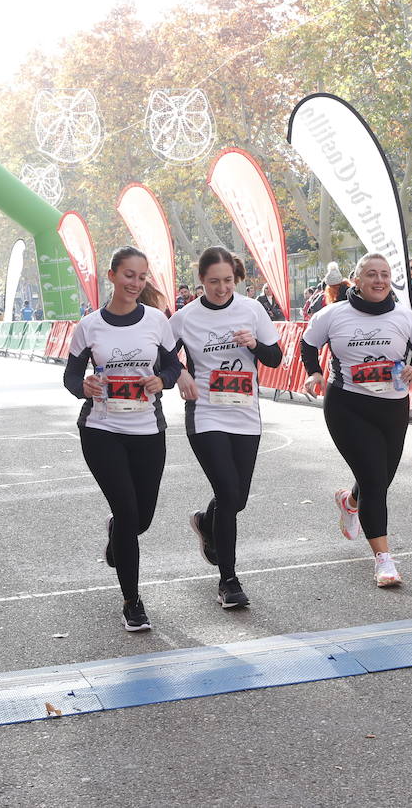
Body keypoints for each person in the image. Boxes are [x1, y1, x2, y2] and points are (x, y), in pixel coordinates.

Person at [300, 253, 412, 588]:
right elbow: (308, 344)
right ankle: (384, 560)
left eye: (384, 275)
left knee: (380, 479)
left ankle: (349, 501)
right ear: (357, 280)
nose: (379, 281)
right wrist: (314, 373)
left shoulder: (403, 316)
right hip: (347, 406)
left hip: (392, 407)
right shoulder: (333, 314)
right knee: (375, 483)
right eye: (371, 275)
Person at [63, 247, 182, 632]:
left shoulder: (156, 320)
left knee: (140, 518)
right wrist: (84, 387)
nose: (135, 283)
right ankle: (132, 602)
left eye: (141, 276)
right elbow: (70, 377)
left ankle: (117, 533)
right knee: (129, 515)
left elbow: (172, 364)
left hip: (148, 429)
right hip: (102, 431)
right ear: (112, 275)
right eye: (128, 275)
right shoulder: (89, 326)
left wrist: (161, 380)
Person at [171, 247, 283, 609]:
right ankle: (228, 582)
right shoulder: (186, 317)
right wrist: (183, 373)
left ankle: (207, 522)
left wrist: (255, 344)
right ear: (201, 281)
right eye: (214, 282)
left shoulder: (251, 309)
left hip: (245, 412)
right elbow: (161, 354)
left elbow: (275, 358)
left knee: (237, 499)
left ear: (236, 278)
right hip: (205, 413)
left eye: (228, 281)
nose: (222, 289)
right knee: (228, 493)